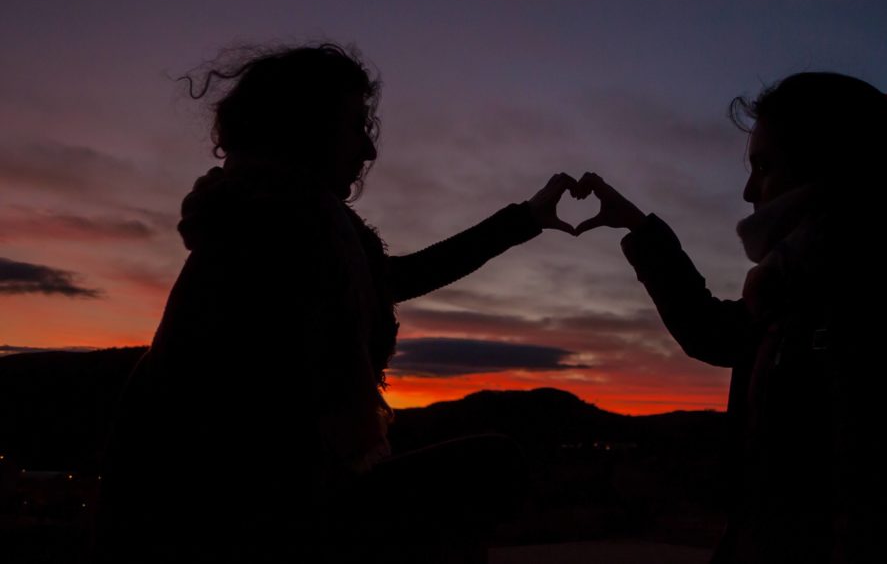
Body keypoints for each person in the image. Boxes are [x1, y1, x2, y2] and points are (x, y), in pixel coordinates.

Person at [93, 43, 576, 563]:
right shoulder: (284, 230)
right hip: (222, 522)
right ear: (304, 129)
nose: (367, 151)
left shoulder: (277, 218)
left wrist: (526, 218)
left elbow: (393, 278)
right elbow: (262, 447)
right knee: (492, 467)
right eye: (354, 127)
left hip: (223, 506)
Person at [572, 72, 887, 564]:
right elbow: (715, 332)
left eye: (764, 166)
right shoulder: (799, 286)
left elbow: (878, 508)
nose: (749, 190)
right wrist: (636, 226)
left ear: (829, 165)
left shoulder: (883, 302)